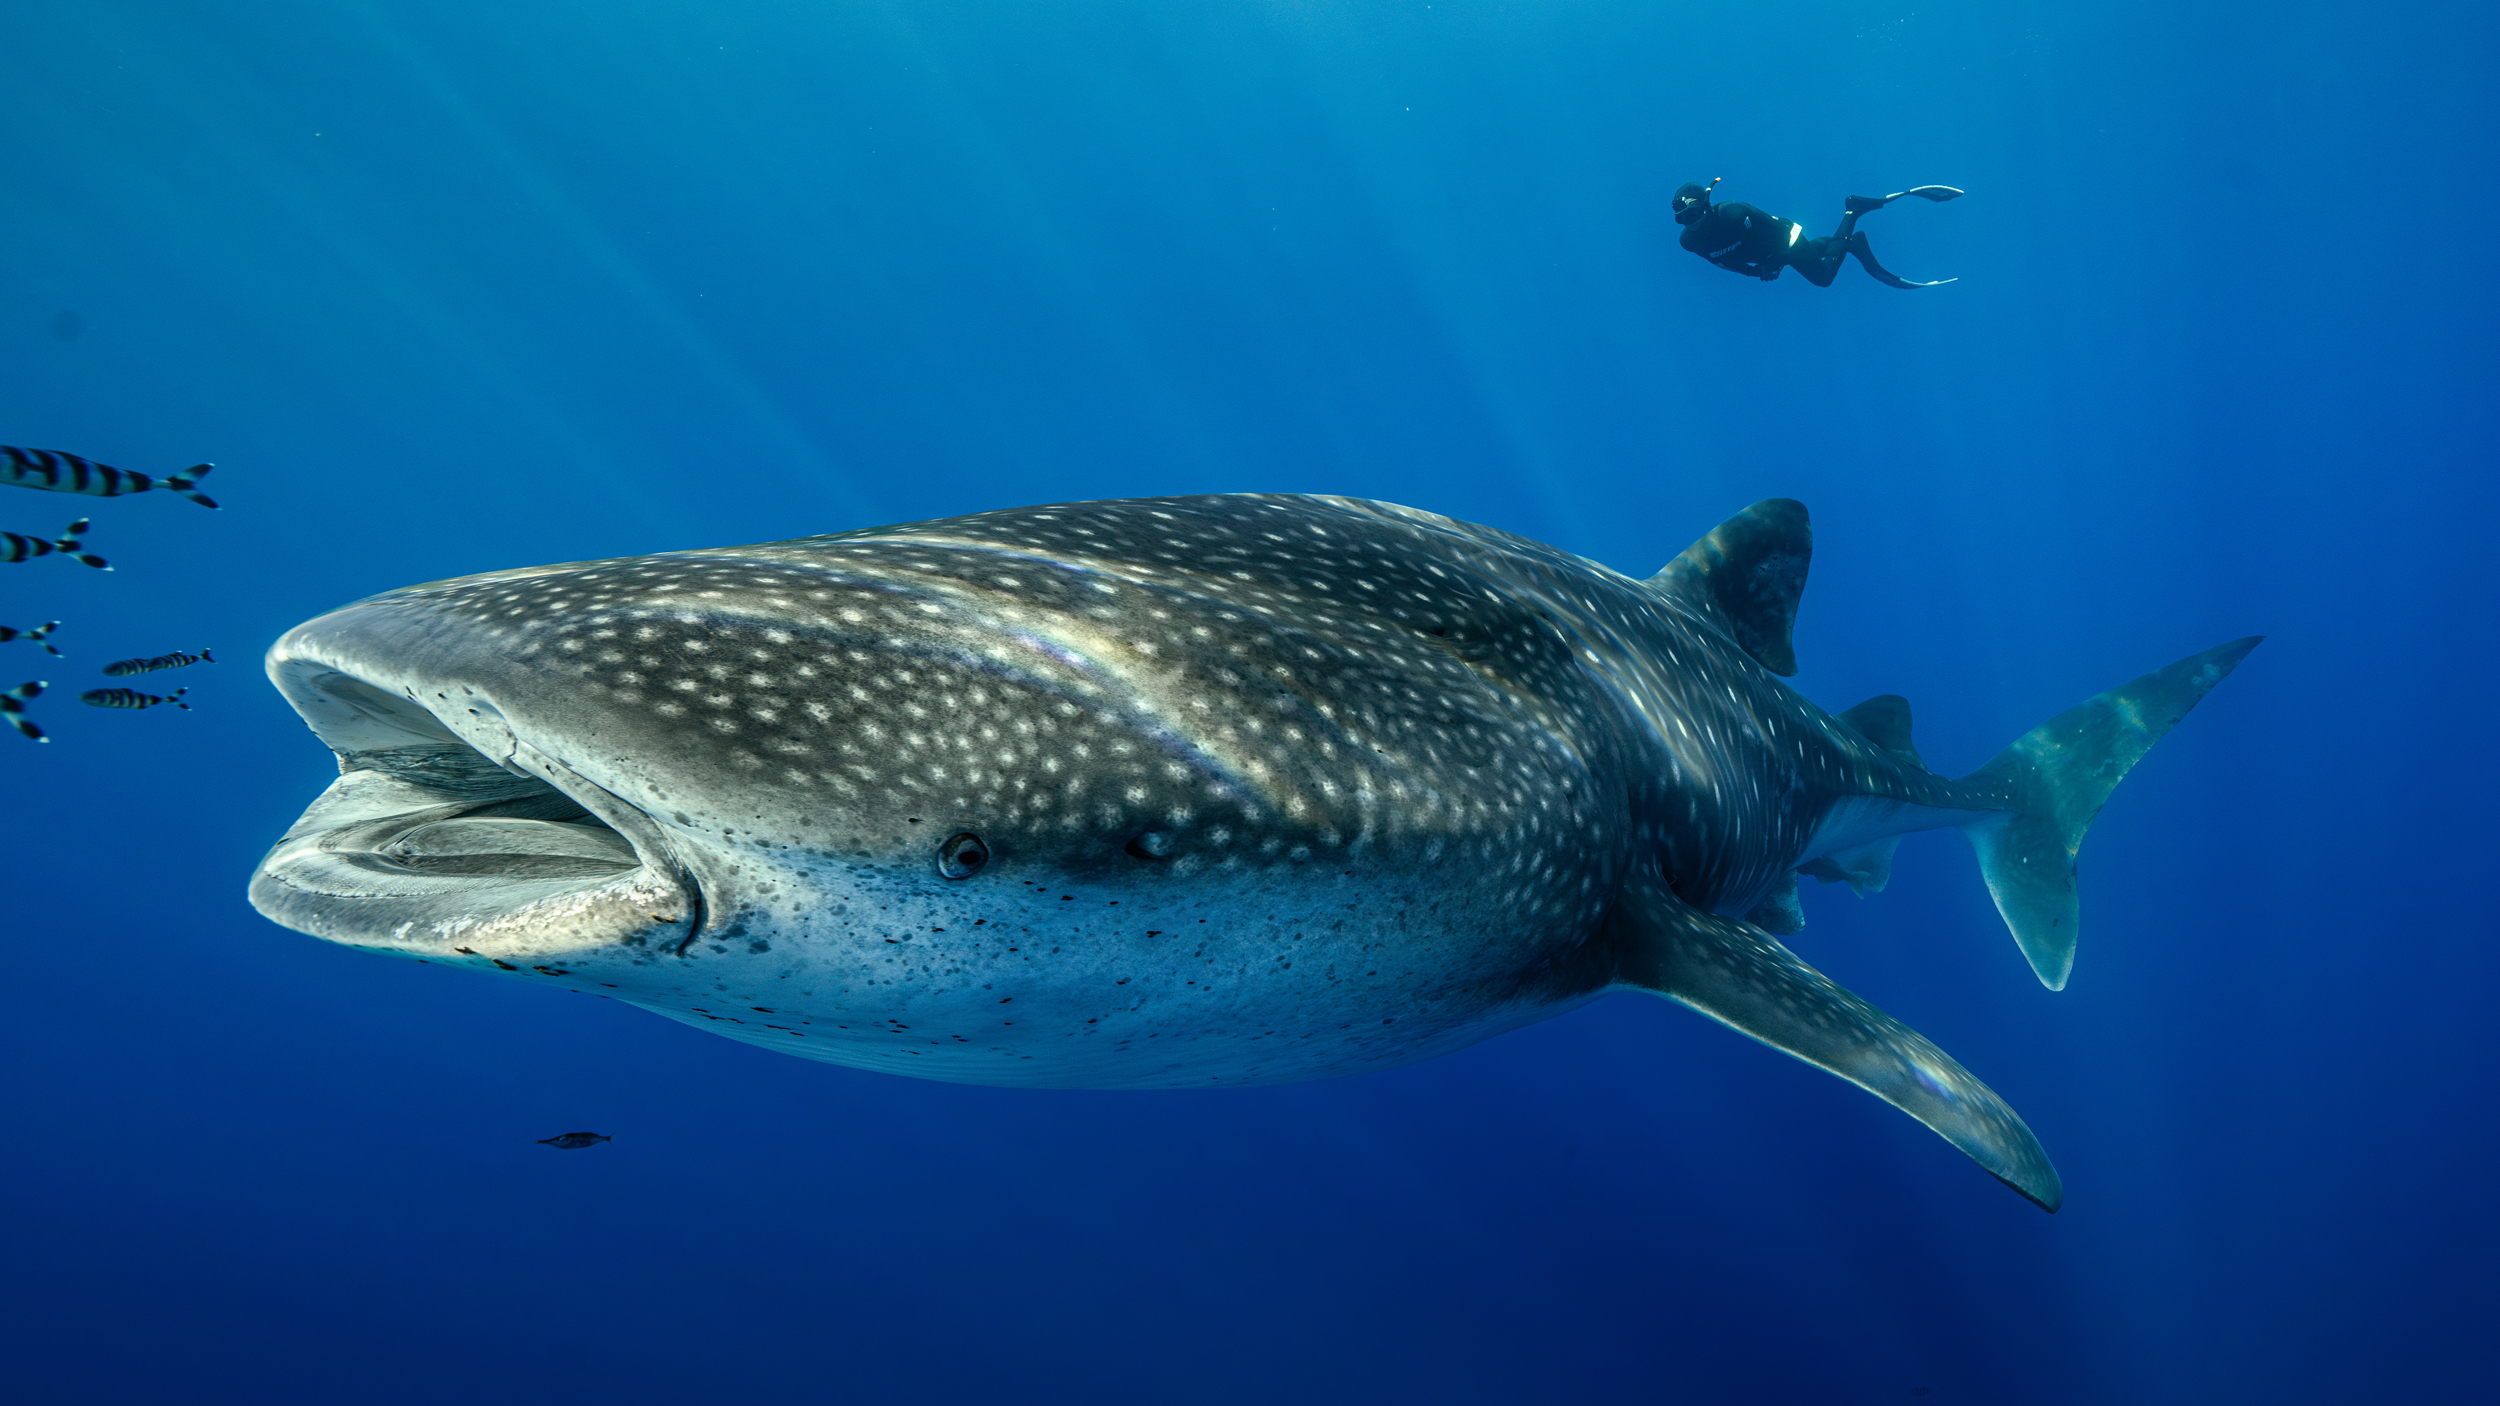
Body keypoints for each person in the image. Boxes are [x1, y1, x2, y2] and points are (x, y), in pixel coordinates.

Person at [1672, 179, 1962, 288]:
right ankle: (1847, 241)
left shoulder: (1735, 213)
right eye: (1683, 218)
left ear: (1707, 207)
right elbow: (1722, 262)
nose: (1691, 222)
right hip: (1767, 255)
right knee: (1813, 252)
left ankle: (1853, 212)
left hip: (1784, 238)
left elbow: (1778, 228)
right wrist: (1755, 272)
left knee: (1823, 278)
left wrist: (1779, 259)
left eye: (1694, 214)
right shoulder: (1690, 241)